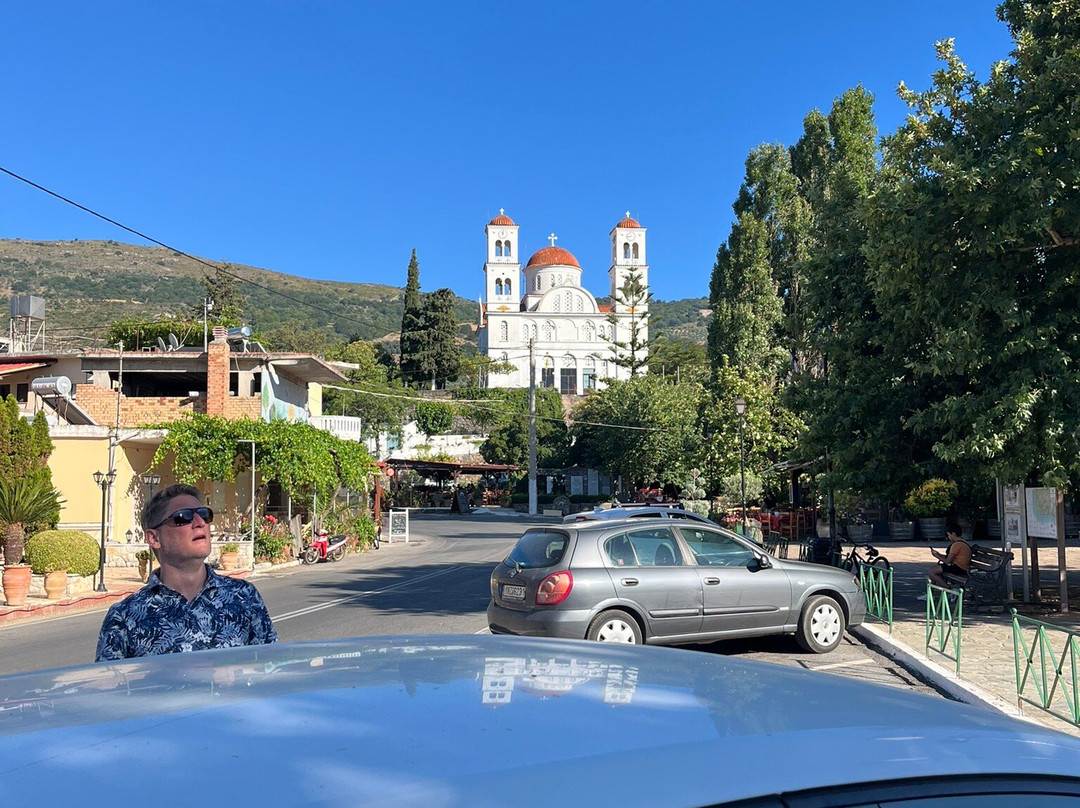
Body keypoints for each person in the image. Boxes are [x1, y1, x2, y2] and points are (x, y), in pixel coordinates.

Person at [96, 483, 278, 661]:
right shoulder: (124, 617)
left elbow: (271, 670)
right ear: (154, 537)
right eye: (183, 517)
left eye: (204, 515)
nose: (199, 523)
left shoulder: (244, 596)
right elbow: (110, 688)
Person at [919, 521, 972, 598]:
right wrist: (939, 554)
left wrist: (937, 556)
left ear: (953, 534)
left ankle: (950, 590)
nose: (948, 537)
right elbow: (949, 558)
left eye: (948, 535)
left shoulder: (956, 545)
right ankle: (930, 593)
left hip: (959, 568)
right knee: (934, 570)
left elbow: (948, 561)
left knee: (932, 571)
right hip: (960, 566)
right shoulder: (962, 542)